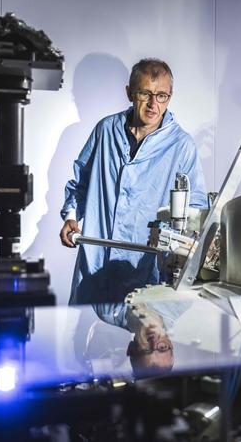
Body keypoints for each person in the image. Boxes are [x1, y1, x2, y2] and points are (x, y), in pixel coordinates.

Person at [60, 58, 207, 305]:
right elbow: (81, 182)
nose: (153, 104)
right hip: (98, 260)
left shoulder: (181, 145)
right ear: (129, 93)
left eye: (162, 96)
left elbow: (196, 207)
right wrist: (71, 217)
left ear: (170, 97)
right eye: (145, 94)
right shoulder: (106, 130)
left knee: (140, 335)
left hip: (146, 268)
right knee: (87, 337)